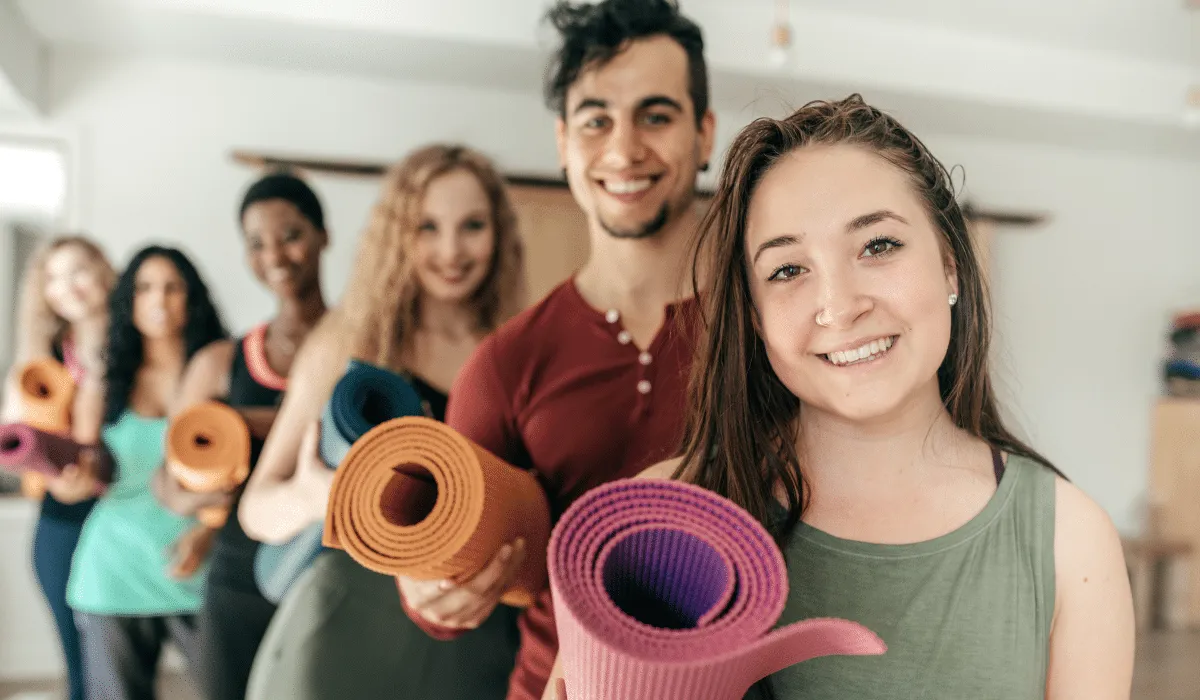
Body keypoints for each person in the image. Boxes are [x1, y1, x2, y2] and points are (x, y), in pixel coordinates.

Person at [622, 95, 1134, 699]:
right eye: (788, 270)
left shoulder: (1069, 540)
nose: (840, 305)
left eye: (878, 246)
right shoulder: (663, 516)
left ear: (950, 266)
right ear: (756, 320)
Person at [395, 2, 716, 699]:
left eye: (656, 116)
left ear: (705, 134)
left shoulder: (773, 336)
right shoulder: (506, 362)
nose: (624, 150)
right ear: (565, 141)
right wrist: (429, 586)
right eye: (597, 120)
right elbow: (449, 562)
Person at [237, 144, 526, 700]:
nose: (451, 250)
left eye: (472, 226)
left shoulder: (513, 351)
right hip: (347, 627)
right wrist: (322, 496)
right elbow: (256, 510)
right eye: (427, 227)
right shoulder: (351, 341)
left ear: (499, 234)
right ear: (397, 233)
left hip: (473, 632)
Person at [150, 172, 329, 700]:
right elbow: (168, 481)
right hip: (239, 577)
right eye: (256, 242)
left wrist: (249, 425)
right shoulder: (220, 364)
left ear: (323, 235)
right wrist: (196, 491)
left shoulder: (362, 344)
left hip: (331, 574)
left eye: (291, 234)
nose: (275, 254)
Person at [67, 245, 228, 700]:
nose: (159, 299)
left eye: (172, 287)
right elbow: (82, 472)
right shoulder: (105, 379)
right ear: (128, 300)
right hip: (112, 573)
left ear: (191, 297)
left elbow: (246, 471)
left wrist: (208, 532)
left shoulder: (221, 371)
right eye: (144, 288)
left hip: (199, 569)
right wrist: (71, 482)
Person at [0, 235, 115, 700]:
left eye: (78, 271)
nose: (67, 287)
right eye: (52, 277)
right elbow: (13, 432)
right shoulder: (40, 363)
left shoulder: (140, 349)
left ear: (106, 269)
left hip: (126, 517)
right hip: (62, 522)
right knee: (80, 666)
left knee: (119, 665)